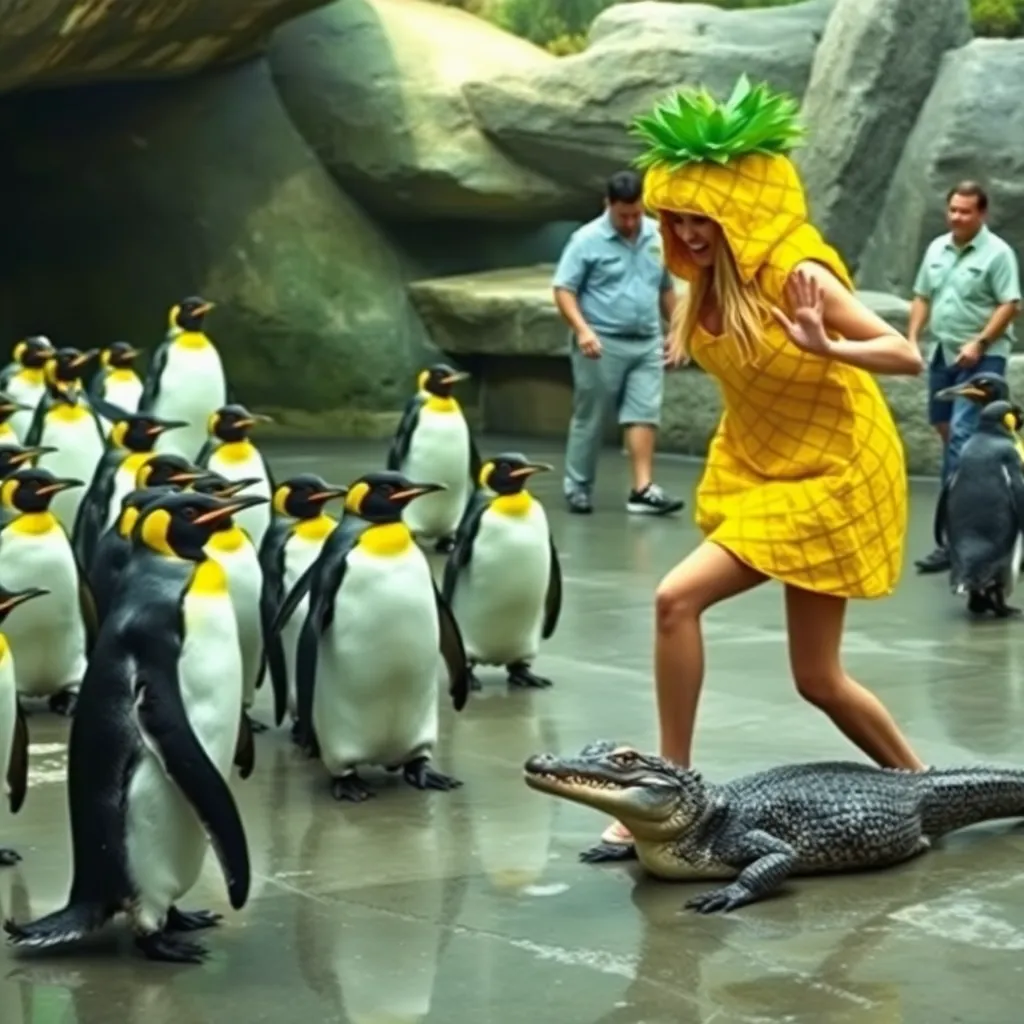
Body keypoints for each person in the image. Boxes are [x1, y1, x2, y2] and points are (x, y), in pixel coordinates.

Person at [582, 76, 928, 863]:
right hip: (764, 462)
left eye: (702, 218)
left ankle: (668, 785)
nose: (688, 233)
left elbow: (902, 354)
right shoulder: (697, 280)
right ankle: (924, 785)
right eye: (676, 218)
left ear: (740, 211)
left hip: (838, 467)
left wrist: (825, 345)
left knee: (679, 600)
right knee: (818, 678)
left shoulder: (793, 269)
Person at [552, 170, 684, 516]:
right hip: (601, 341)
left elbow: (666, 287)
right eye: (623, 215)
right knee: (591, 416)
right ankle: (578, 486)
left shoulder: (656, 236)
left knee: (645, 413)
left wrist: (678, 330)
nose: (630, 222)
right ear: (607, 204)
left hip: (646, 340)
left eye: (636, 214)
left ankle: (642, 489)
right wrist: (582, 330)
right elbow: (564, 289)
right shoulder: (586, 240)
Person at [909, 181, 1022, 575]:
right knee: (945, 433)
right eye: (953, 209)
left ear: (982, 214)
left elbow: (1010, 304)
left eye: (965, 211)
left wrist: (980, 341)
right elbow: (922, 295)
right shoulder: (938, 249)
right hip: (944, 354)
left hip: (982, 359)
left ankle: (956, 540)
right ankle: (975, 528)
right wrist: (911, 338)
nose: (957, 217)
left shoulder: (998, 254)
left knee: (962, 441)